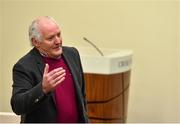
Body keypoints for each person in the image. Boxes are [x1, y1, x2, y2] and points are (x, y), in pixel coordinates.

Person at [10, 16, 89, 123]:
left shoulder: (72, 54)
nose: (58, 41)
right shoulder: (24, 66)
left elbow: (82, 96)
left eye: (59, 35)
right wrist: (42, 89)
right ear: (36, 42)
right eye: (50, 38)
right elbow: (17, 105)